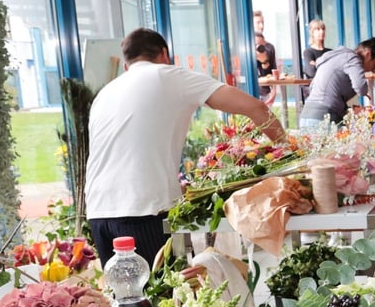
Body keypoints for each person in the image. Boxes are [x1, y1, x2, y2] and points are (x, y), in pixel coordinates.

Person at [86, 28, 285, 268]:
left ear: (127, 65)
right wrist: (287, 152)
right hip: (141, 211)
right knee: (162, 301)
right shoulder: (168, 75)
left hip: (98, 212)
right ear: (164, 54)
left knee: (125, 300)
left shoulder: (106, 92)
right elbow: (256, 108)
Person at [299, 37, 375, 127]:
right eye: (374, 66)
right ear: (368, 54)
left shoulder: (336, 57)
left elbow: (315, 87)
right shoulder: (352, 58)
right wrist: (366, 91)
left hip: (306, 115)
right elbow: (360, 87)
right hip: (324, 116)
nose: (370, 70)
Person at [255, 32, 277, 105]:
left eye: (261, 45)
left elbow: (273, 71)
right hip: (251, 91)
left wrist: (264, 61)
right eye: (256, 45)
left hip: (265, 92)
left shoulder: (269, 51)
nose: (258, 48)